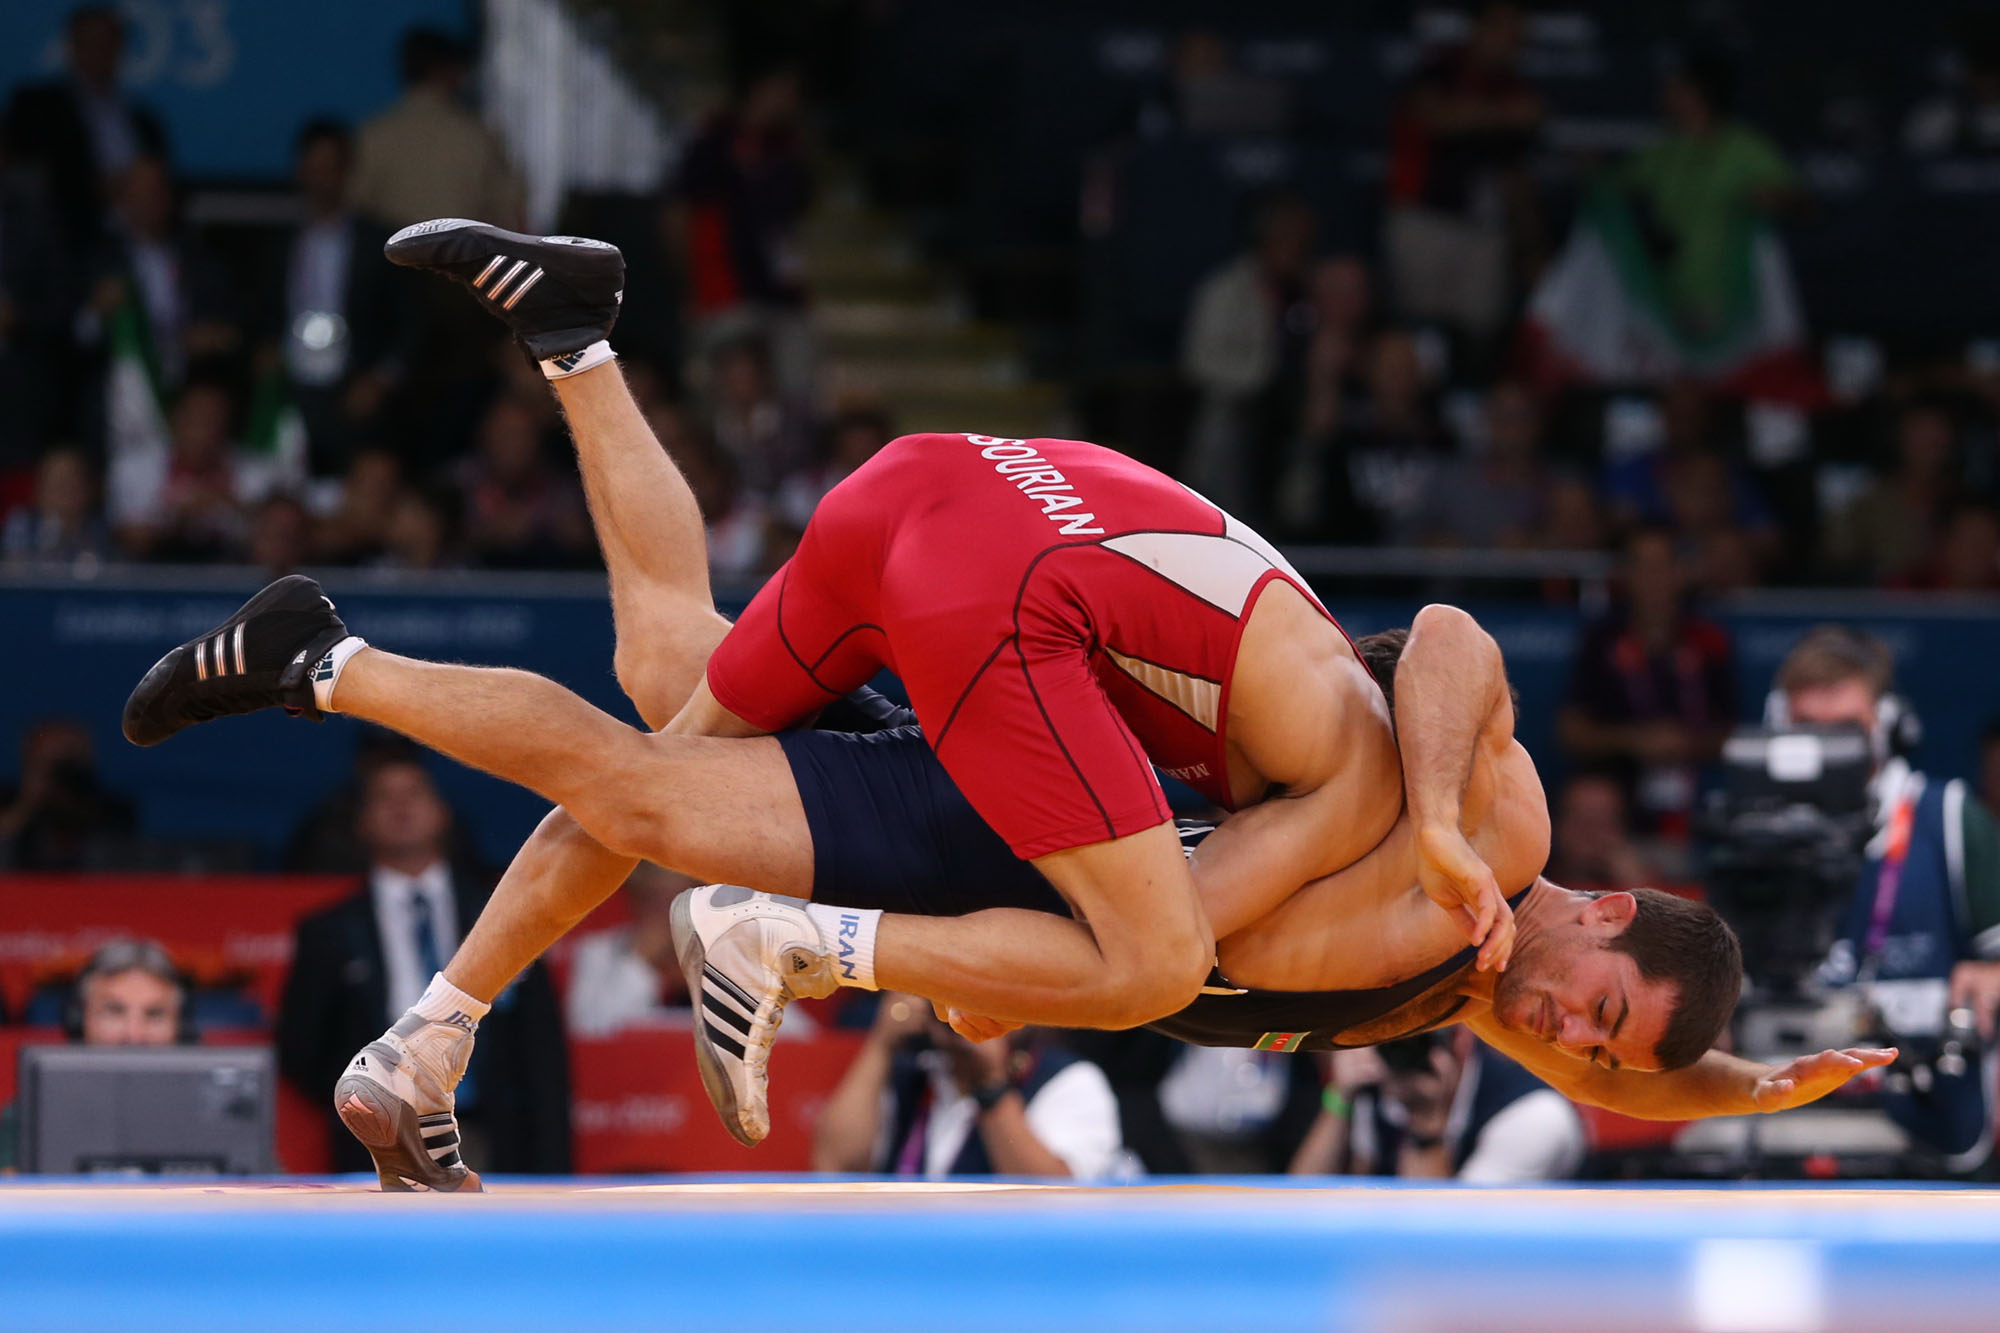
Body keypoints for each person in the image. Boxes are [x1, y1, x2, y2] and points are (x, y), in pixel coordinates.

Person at [122, 221, 1885, 1190]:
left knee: (666, 689)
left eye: (1591, 1054)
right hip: (1024, 606)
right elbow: (1443, 646)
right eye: (1595, 1011)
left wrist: (1749, 1090)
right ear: (1607, 906)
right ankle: (757, 927)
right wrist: (1415, 821)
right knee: (1142, 954)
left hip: (954, 497)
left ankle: (568, 348)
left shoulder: (1482, 959)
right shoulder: (1456, 847)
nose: (1566, 1034)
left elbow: (1598, 1045)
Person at [276, 756, 570, 1186]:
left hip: (491, 1133)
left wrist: (554, 1165)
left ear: (443, 812)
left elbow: (543, 1049)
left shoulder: (502, 912)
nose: (401, 807)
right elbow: (300, 1048)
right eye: (384, 797)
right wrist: (365, 1104)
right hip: (379, 1140)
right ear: (361, 822)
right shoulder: (330, 930)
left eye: (414, 793)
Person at [1781, 628, 2000, 1172]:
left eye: (1845, 729)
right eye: (1808, 728)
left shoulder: (1948, 816)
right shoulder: (1753, 832)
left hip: (1929, 1111)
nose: (1827, 747)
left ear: (1889, 724)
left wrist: (1992, 971)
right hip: (1786, 1105)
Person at [813, 992, 1126, 1180]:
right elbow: (834, 1166)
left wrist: (991, 1085)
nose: (961, 1017)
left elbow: (1058, 1199)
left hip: (1007, 1261)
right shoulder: (915, 1071)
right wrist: (881, 1045)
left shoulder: (1068, 1079)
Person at [1558, 525, 1736, 841]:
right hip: (1622, 794)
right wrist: (1635, 741)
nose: (1654, 579)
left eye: (1663, 565)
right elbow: (1572, 731)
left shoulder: (1710, 640)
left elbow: (1735, 734)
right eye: (1642, 566)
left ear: (1681, 572)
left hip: (1697, 792)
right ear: (1626, 575)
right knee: (1590, 799)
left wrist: (1687, 744)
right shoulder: (1601, 641)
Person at [1383, 0, 1544, 345]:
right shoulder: (1442, 69)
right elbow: (1433, 118)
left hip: (1485, 230)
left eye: (1518, 34)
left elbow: (1515, 176)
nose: (1511, 41)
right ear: (1479, 29)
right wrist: (1504, 115)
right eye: (1503, 29)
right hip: (1426, 220)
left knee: (1477, 339)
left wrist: (1530, 247)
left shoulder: (1515, 87)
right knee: (1421, 334)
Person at [257, 121, 414, 476]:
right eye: (314, 168)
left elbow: (409, 322)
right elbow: (264, 310)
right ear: (300, 171)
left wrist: (381, 380)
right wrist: (265, 349)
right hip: (291, 385)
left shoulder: (380, 242)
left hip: (354, 387)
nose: (322, 179)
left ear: (347, 171)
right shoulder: (280, 242)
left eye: (330, 168)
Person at [1291, 1029, 1585, 1182]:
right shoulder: (1382, 1083)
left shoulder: (1532, 1117)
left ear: (1460, 1039)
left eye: (1419, 1039)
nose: (1403, 1053)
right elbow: (1301, 1208)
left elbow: (1448, 1243)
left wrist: (1426, 1125)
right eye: (1391, 1039)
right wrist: (1340, 1097)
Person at [0, 937, 187, 1170]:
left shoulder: (216, 1113)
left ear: (181, 1027)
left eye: (155, 1014)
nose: (135, 1035)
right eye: (114, 1012)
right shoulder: (33, 1112)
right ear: (79, 1022)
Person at [2, 4, 167, 253]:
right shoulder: (39, 107)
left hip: (138, 242)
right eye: (89, 43)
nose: (98, 52)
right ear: (71, 46)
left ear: (120, 49)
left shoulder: (145, 121)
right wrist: (95, 185)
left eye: (107, 43)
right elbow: (26, 173)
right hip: (68, 238)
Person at [349, 29, 524, 232]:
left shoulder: (374, 135)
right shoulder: (478, 136)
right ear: (447, 70)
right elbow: (511, 213)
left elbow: (353, 208)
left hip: (394, 250)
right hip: (463, 251)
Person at [565, 863, 694, 1036]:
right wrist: (640, 959)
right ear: (634, 900)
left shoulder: (718, 950)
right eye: (654, 901)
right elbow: (588, 1031)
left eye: (677, 900)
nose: (667, 913)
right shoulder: (598, 952)